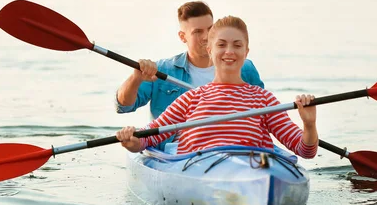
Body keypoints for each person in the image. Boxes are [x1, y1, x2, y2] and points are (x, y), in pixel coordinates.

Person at [116, 16, 318, 158]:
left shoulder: (264, 100)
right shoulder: (190, 99)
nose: (229, 52)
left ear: (246, 52)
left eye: (237, 45)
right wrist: (129, 139)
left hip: (255, 171)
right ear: (210, 50)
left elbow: (305, 151)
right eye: (221, 45)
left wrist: (309, 125)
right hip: (199, 171)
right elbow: (145, 140)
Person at [115, 1, 264, 120]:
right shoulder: (162, 70)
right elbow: (124, 106)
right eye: (197, 32)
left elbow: (263, 115)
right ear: (182, 37)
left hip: (233, 146)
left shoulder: (245, 67)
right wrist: (136, 78)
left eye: (210, 29)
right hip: (175, 151)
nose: (206, 37)